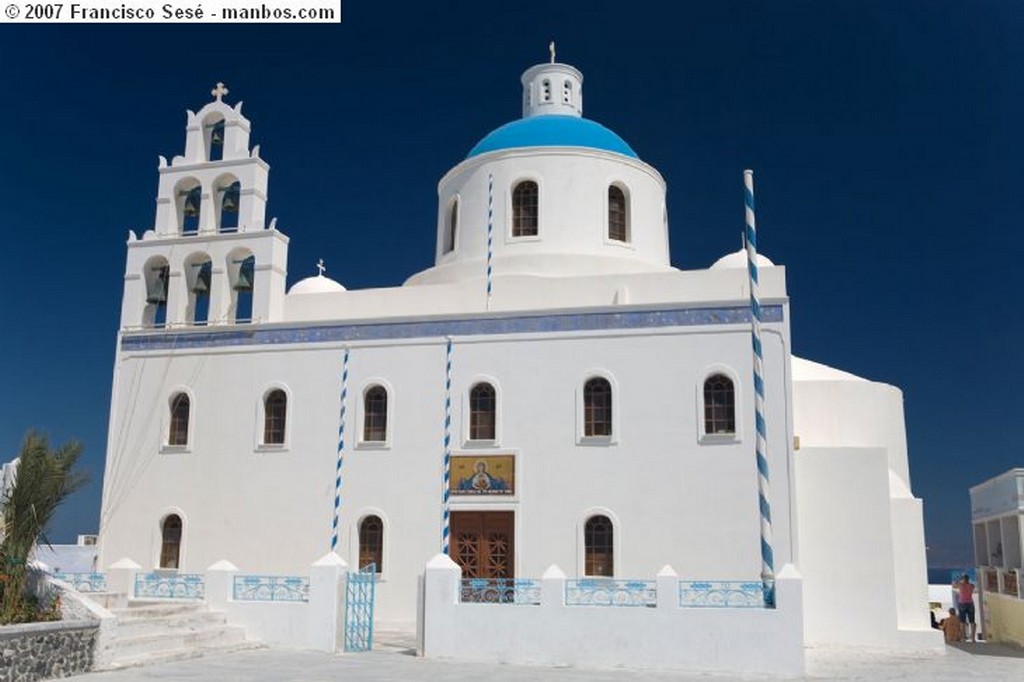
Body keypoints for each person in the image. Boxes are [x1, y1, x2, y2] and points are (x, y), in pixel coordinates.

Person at [956, 574, 976, 642]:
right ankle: (973, 638)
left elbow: (955, 583)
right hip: (970, 603)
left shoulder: (961, 585)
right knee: (972, 621)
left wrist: (960, 578)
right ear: (968, 579)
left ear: (963, 579)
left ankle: (963, 638)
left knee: (962, 622)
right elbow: (973, 587)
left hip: (962, 603)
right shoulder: (972, 585)